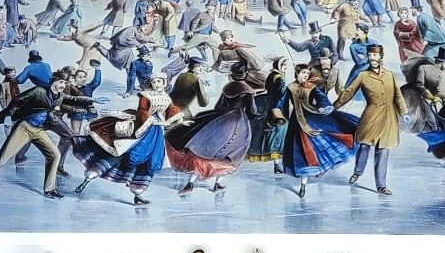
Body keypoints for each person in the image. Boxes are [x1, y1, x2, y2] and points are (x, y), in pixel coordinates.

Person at [165, 58, 263, 193]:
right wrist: (254, 115)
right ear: (245, 74)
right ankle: (217, 184)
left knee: (203, 152)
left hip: (221, 118)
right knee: (229, 154)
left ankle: (190, 183)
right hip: (238, 123)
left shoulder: (227, 88)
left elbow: (219, 106)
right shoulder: (248, 90)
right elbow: (252, 111)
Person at [73, 84, 170, 205]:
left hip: (155, 135)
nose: (157, 84)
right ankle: (88, 179)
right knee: (121, 153)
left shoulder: (166, 98)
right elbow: (142, 112)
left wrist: (174, 119)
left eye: (160, 81)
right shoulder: (146, 96)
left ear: (165, 84)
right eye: (155, 81)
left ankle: (138, 194)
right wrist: (153, 120)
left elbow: (170, 113)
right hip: (141, 130)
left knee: (146, 162)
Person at [275, 63, 357, 200]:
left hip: (312, 118)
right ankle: (303, 185)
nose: (305, 76)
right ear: (297, 73)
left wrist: (322, 107)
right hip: (296, 123)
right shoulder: (290, 87)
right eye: (303, 73)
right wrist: (278, 113)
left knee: (318, 146)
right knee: (300, 152)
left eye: (307, 74)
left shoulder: (311, 87)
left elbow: (322, 98)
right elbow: (281, 103)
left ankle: (320, 169)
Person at [334, 43, 406, 196]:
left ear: (381, 56)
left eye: (375, 55)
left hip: (388, 118)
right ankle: (357, 172)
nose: (372, 58)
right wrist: (335, 106)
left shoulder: (389, 75)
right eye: (370, 55)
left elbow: (398, 95)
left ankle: (381, 185)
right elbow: (349, 92)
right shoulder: (363, 76)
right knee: (364, 146)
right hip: (371, 116)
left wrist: (403, 111)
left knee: (383, 150)